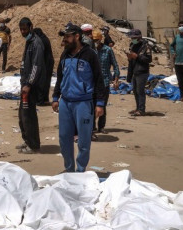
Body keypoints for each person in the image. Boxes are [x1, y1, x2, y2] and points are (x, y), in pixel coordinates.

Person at [52, 23, 106, 173]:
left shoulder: (90, 55)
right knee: (64, 138)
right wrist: (56, 97)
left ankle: (80, 170)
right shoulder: (64, 55)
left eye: (68, 37)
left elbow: (98, 80)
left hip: (83, 103)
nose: (65, 40)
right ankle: (69, 169)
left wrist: (100, 104)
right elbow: (60, 78)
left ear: (77, 36)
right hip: (65, 103)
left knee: (83, 140)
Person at [16, 18, 46, 154]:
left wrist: (29, 84)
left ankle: (33, 145)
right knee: (22, 115)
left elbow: (36, 65)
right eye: (21, 29)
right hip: (25, 85)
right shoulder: (29, 42)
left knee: (29, 115)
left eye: (25, 29)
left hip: (31, 87)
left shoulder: (36, 43)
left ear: (31, 27)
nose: (23, 31)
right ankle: (27, 140)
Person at [93, 29, 119, 135]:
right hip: (93, 82)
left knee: (102, 105)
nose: (94, 42)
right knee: (92, 105)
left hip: (104, 82)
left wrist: (116, 79)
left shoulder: (107, 50)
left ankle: (101, 126)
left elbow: (115, 65)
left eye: (96, 40)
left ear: (100, 39)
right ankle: (92, 127)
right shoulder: (90, 50)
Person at [127, 29, 152, 116]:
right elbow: (131, 59)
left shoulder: (146, 46)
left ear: (139, 37)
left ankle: (141, 110)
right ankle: (138, 108)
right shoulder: (132, 45)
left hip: (142, 71)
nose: (132, 39)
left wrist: (137, 57)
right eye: (132, 38)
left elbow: (148, 59)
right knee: (135, 91)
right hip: (134, 71)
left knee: (140, 91)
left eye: (134, 38)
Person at [33, 28, 53, 105]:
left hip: (46, 63)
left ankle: (41, 100)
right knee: (46, 82)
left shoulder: (42, 40)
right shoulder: (44, 38)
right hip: (47, 62)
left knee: (42, 82)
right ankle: (44, 99)